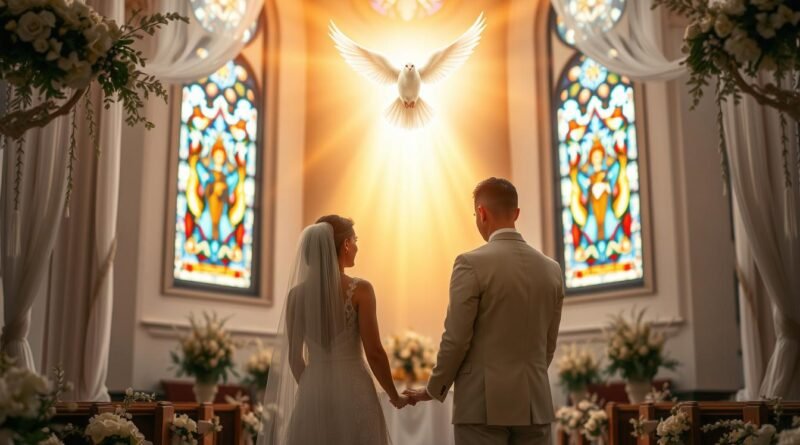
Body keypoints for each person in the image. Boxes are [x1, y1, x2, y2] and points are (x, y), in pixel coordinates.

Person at [404, 177, 565, 445]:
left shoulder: (470, 263)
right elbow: (549, 343)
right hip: (534, 404)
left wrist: (434, 388)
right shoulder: (552, 269)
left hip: (482, 406)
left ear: (481, 213)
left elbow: (456, 339)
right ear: (516, 213)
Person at [258, 215, 409, 445]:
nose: (357, 247)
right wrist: (394, 395)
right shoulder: (361, 290)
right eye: (355, 240)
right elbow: (375, 353)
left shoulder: (296, 296)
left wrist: (312, 389)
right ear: (346, 244)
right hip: (354, 390)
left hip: (313, 392)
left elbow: (294, 357)